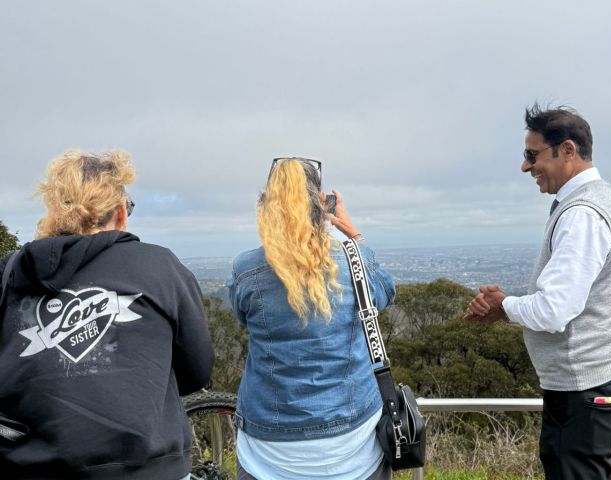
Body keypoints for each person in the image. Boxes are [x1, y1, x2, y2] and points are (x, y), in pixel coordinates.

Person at [0, 150, 214, 480]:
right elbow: (196, 373)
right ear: (119, 213)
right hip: (149, 469)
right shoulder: (159, 266)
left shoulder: (9, 273)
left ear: (54, 209)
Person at [466, 105, 611, 480]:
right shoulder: (595, 200)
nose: (526, 167)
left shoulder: (582, 213)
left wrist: (503, 304)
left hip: (584, 394)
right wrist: (507, 308)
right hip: (600, 385)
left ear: (568, 150)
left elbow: (555, 310)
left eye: (532, 155)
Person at [227, 157, 396, 480]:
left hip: (268, 452)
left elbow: (242, 316)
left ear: (267, 207)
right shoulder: (351, 260)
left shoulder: (246, 269)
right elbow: (385, 293)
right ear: (322, 204)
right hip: (353, 448)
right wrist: (352, 234)